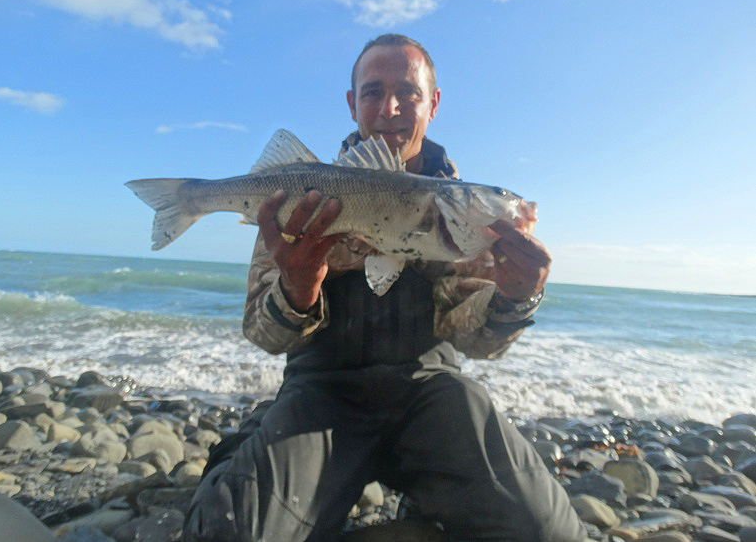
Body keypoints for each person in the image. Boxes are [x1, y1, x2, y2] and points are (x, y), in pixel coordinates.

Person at [183, 34, 586, 542]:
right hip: (322, 394)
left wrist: (516, 296)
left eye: (409, 93)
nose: (389, 108)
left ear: (433, 103)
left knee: (549, 533)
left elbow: (477, 343)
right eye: (372, 92)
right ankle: (245, 452)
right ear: (352, 104)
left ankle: (424, 488)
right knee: (228, 533)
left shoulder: (469, 216)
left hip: (428, 392)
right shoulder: (305, 197)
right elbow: (263, 335)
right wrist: (298, 287)